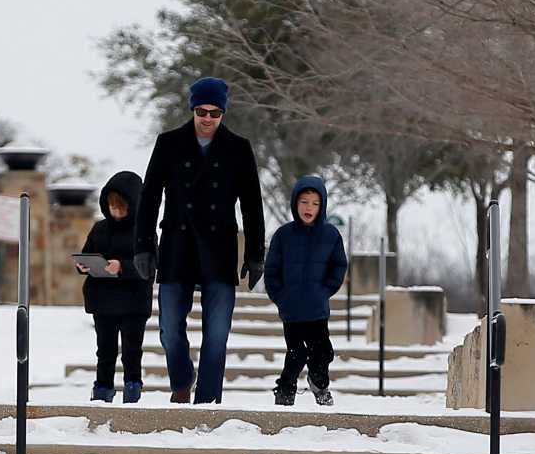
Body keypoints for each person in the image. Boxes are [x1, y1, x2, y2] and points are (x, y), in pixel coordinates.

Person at [136, 77, 265, 405]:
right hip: (176, 247)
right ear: (192, 109)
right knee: (169, 329)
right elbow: (149, 197)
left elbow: (252, 203)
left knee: (217, 334)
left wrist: (254, 253)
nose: (207, 118)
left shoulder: (238, 148)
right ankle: (181, 379)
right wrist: (143, 246)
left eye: (215, 113)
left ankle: (207, 403)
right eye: (202, 111)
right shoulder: (169, 143)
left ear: (223, 113)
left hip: (219, 249)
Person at [262, 174, 348, 407]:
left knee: (324, 352)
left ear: (322, 206)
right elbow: (271, 270)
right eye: (304, 202)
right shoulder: (283, 235)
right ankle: (285, 390)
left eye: (314, 203)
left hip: (317, 308)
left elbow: (339, 265)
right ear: (294, 203)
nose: (308, 207)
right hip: (291, 310)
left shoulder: (330, 235)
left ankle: (319, 383)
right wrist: (280, 296)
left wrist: (325, 290)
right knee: (296, 353)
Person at [79, 170, 151, 403]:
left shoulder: (144, 231)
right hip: (104, 300)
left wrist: (121, 267)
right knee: (105, 350)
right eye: (112, 206)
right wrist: (84, 265)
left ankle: (132, 388)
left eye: (121, 206)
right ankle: (102, 390)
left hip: (133, 303)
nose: (116, 211)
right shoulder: (99, 229)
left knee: (132, 350)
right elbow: (88, 253)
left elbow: (149, 266)